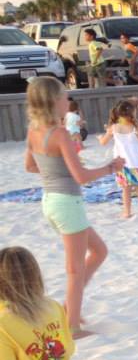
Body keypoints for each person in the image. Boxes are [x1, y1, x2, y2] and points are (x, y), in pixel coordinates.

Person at [24, 78, 124, 335]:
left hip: (50, 201)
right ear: (53, 102)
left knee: (99, 251)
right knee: (75, 270)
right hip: (67, 203)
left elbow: (30, 166)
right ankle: (71, 325)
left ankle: (71, 309)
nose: (67, 101)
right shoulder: (60, 134)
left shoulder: (33, 131)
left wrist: (54, 174)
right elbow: (80, 177)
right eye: (64, 97)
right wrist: (110, 168)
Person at [99, 99, 138, 218]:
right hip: (137, 162)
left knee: (126, 189)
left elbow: (103, 142)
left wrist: (99, 138)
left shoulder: (113, 127)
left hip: (122, 163)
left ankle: (127, 212)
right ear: (132, 113)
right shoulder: (136, 127)